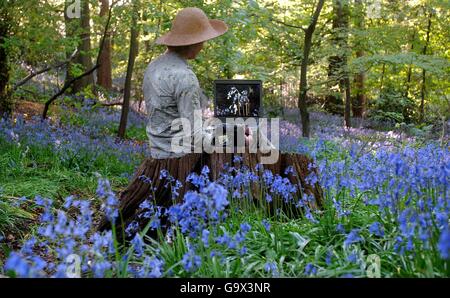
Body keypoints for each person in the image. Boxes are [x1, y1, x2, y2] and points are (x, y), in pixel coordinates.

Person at [143, 7, 252, 159]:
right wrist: (238, 141)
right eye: (202, 40)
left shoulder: (153, 67)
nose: (203, 46)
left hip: (158, 152)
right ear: (193, 43)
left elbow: (174, 119)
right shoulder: (185, 77)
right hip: (181, 159)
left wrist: (232, 130)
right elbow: (196, 138)